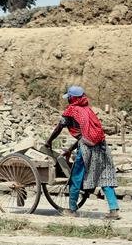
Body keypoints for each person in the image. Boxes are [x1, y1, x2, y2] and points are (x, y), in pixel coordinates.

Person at [45, 85, 120, 219]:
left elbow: (59, 128)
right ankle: (114, 210)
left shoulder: (72, 111)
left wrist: (49, 141)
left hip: (87, 150)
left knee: (76, 177)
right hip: (101, 146)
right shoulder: (88, 110)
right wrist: (70, 149)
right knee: (105, 177)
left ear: (72, 98)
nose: (68, 100)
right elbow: (85, 135)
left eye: (69, 98)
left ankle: (72, 210)